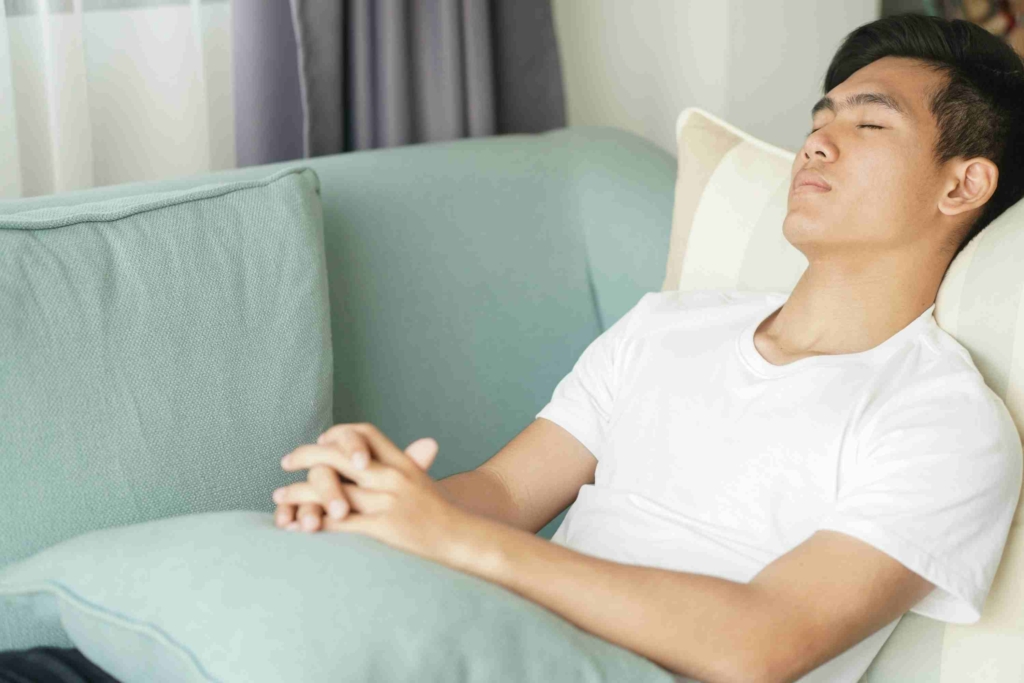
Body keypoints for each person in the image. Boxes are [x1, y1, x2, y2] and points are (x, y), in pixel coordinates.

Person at [271, 14, 1024, 683]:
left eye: (869, 125)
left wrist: (455, 539)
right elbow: (502, 494)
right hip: (501, 637)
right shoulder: (667, 327)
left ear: (963, 185)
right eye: (819, 119)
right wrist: (382, 501)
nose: (816, 143)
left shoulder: (943, 418)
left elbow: (761, 642)